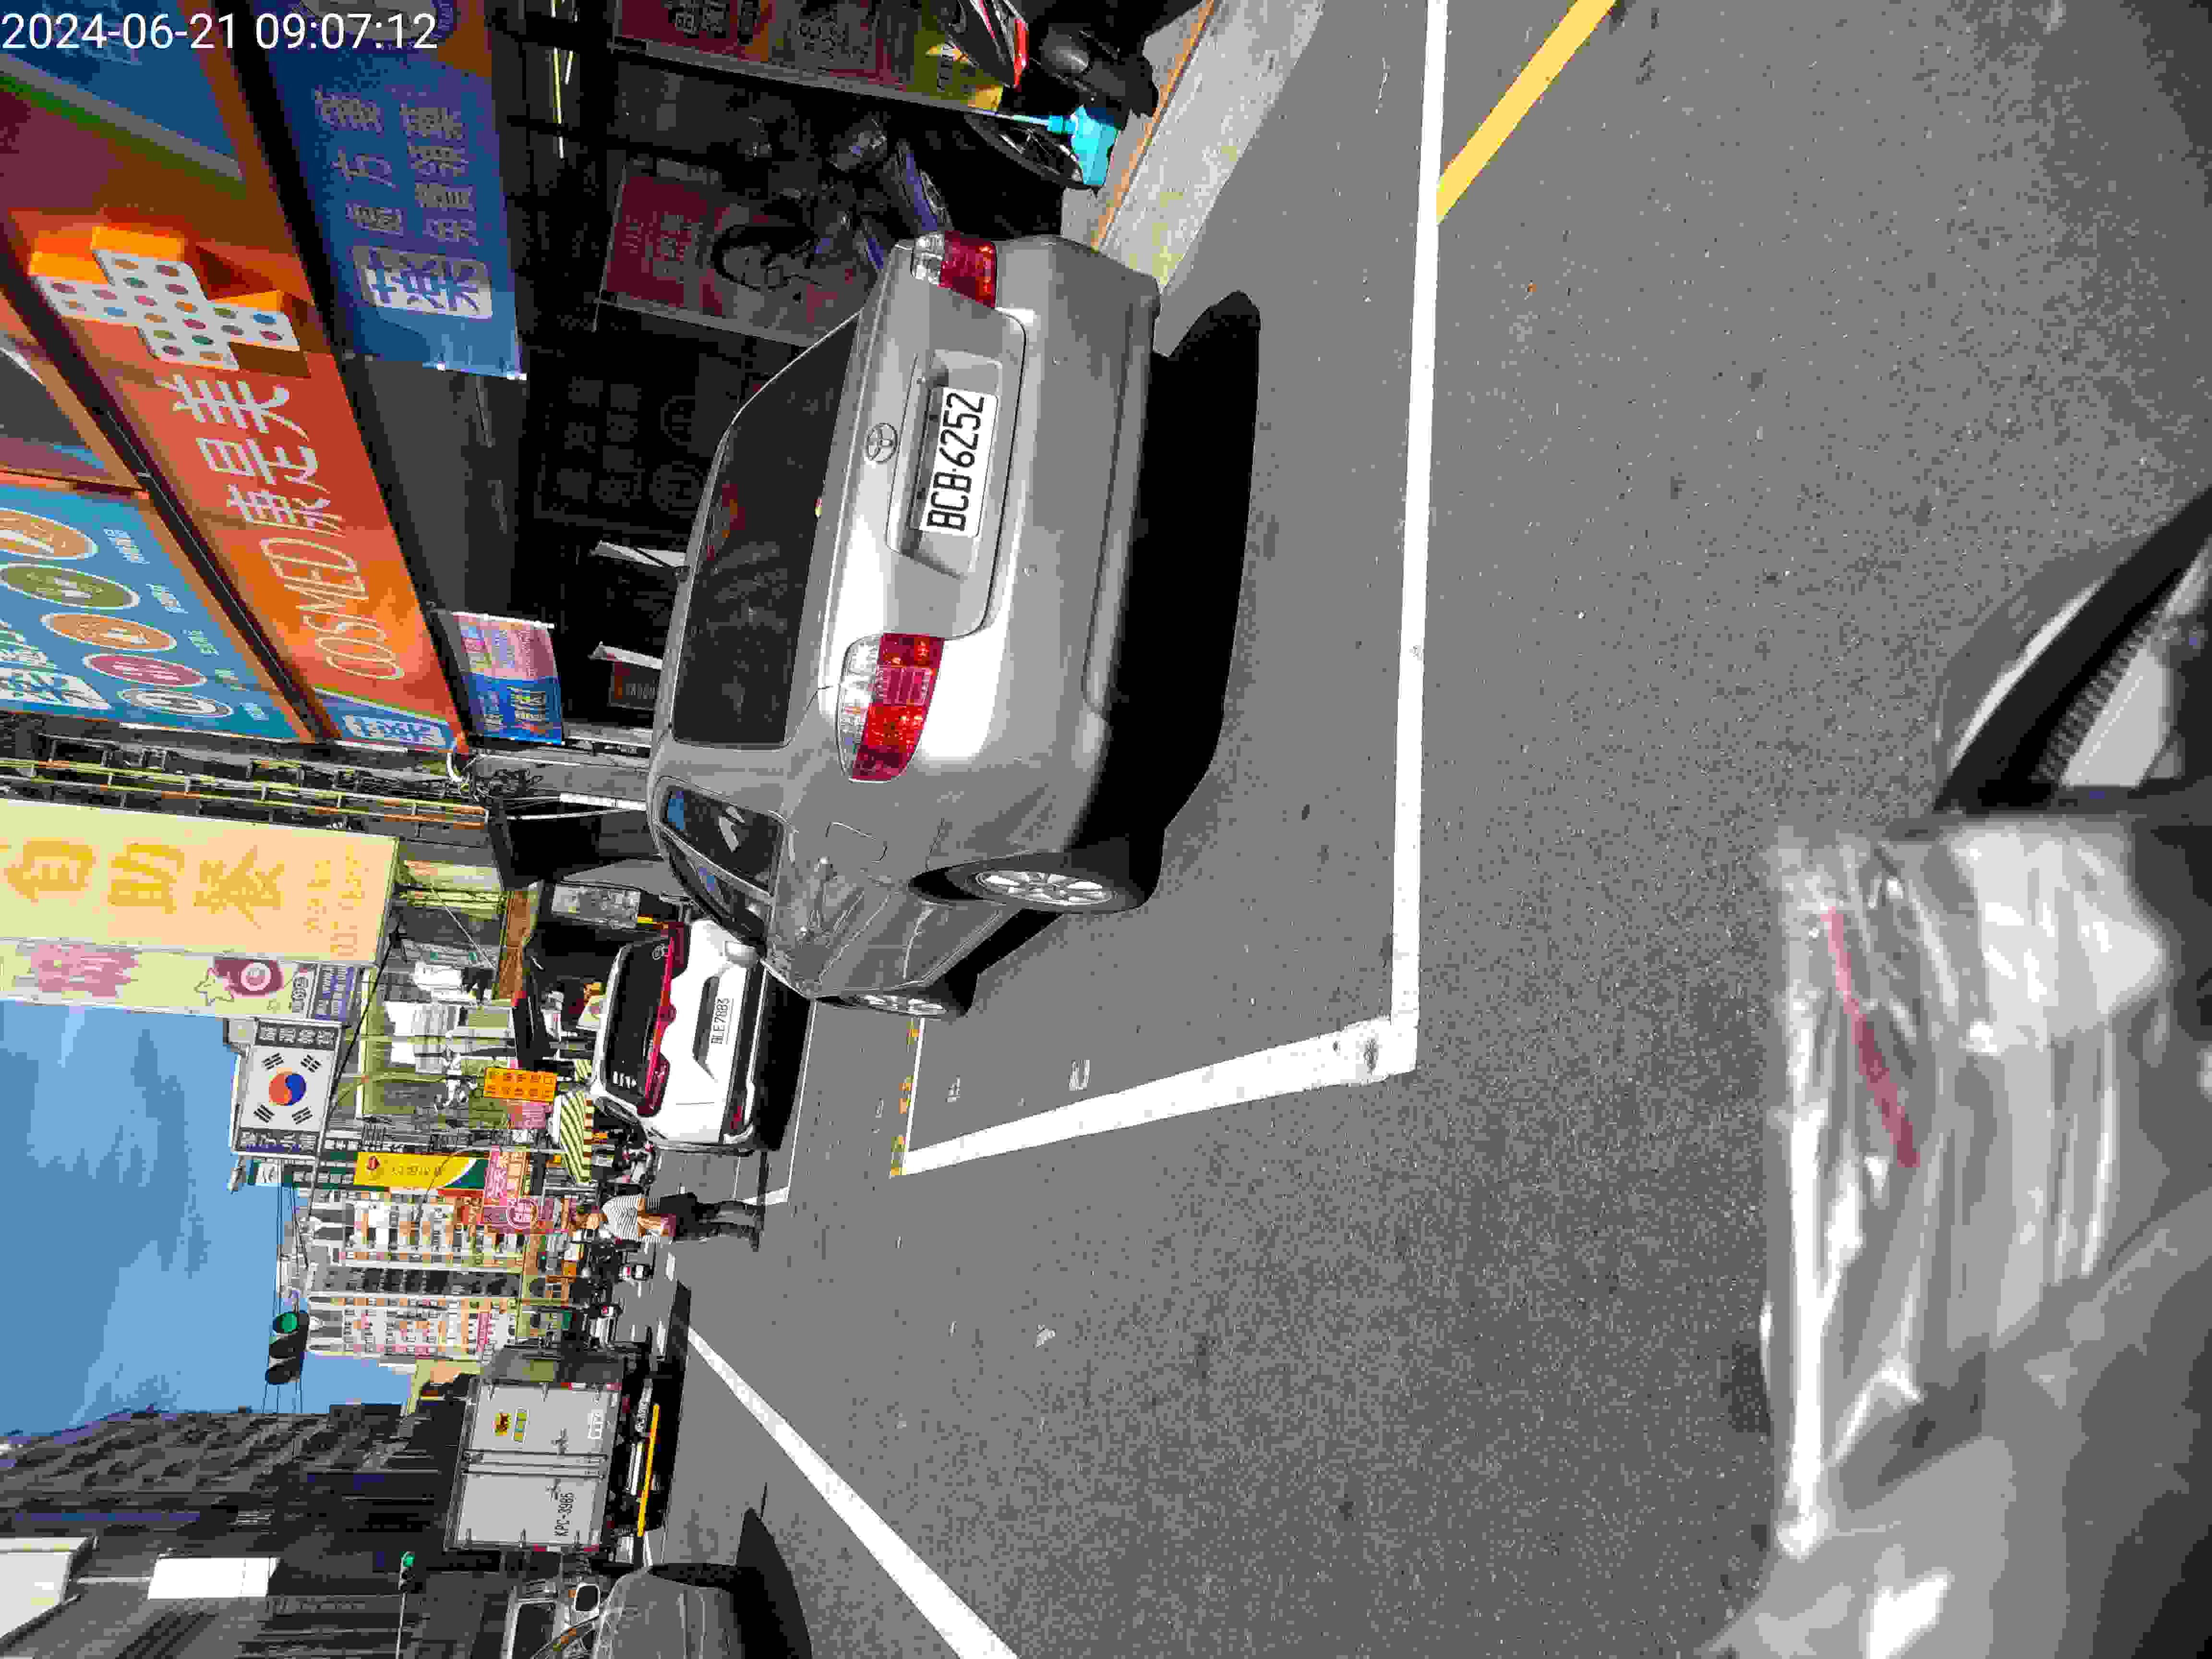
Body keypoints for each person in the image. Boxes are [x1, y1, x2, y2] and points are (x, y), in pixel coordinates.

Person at [583, 1190, 763, 1247]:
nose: (590, 1225)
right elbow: (642, 1238)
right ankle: (748, 1233)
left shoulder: (611, 1207)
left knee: (714, 1211)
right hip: (666, 1231)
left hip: (669, 1211)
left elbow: (641, 1201)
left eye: (587, 1220)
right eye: (586, 1226)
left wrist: (645, 1222)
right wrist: (665, 1239)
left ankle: (753, 1212)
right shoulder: (611, 1229)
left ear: (593, 1210)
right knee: (711, 1230)